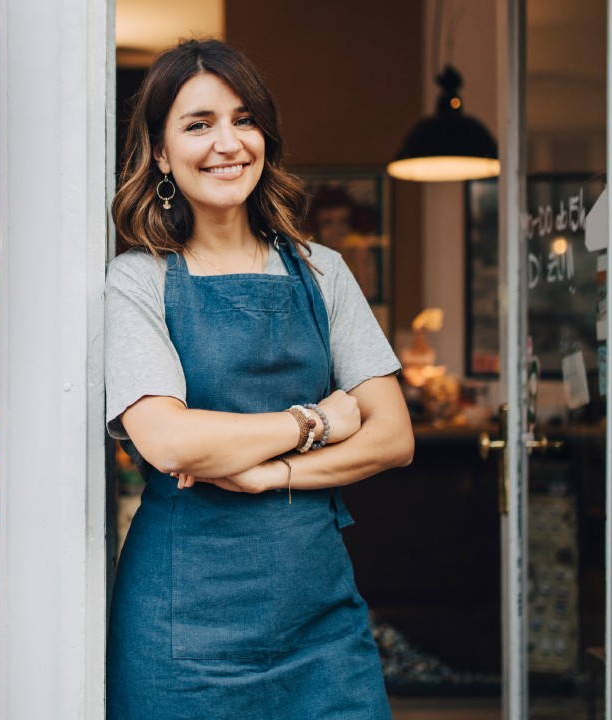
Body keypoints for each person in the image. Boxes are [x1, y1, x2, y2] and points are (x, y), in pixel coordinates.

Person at [104, 39, 414, 719]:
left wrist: (274, 475)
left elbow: (393, 436)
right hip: (183, 631)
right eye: (198, 124)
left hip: (321, 625)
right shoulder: (138, 279)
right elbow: (168, 440)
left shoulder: (323, 271)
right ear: (159, 151)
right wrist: (318, 421)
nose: (227, 143)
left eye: (244, 120)